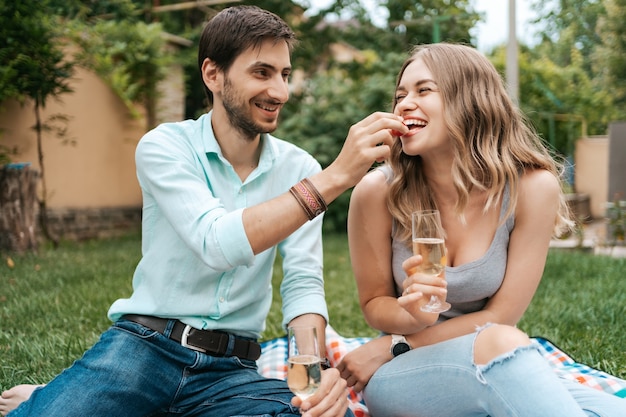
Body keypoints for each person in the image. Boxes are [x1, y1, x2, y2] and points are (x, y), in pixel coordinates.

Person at [0, 6, 408, 417]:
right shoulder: (165, 147)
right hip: (144, 350)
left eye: (284, 75)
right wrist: (336, 176)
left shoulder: (299, 168)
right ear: (213, 74)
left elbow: (302, 282)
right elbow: (217, 242)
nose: (281, 92)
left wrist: (315, 374)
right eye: (262, 72)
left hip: (231, 372)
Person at [336, 43, 626, 417]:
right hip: (405, 377)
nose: (404, 104)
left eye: (424, 90)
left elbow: (502, 313)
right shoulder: (376, 192)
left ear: (470, 99)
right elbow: (375, 305)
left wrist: (395, 344)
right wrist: (409, 319)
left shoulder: (532, 188)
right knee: (503, 343)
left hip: (490, 357)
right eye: (400, 95)